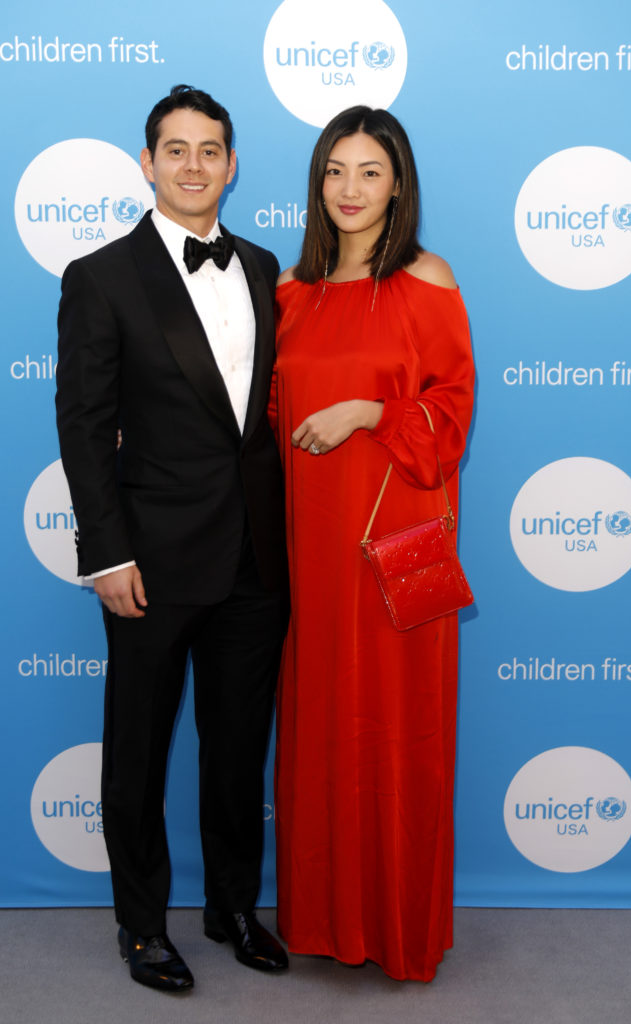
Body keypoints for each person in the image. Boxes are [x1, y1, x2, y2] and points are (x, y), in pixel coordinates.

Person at [55, 84, 289, 993]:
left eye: (211, 149)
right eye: (176, 150)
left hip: (255, 562)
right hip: (148, 562)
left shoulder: (266, 268)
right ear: (147, 163)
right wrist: (106, 554)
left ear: (233, 165)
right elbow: (83, 425)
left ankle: (232, 907)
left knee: (237, 749)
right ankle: (142, 926)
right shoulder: (101, 276)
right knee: (139, 749)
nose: (195, 165)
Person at [270, 105, 475, 981]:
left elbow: (452, 414)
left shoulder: (428, 280)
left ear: (399, 184)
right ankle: (322, 921)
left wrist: (369, 411)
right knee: (319, 725)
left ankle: (398, 928)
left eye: (370, 172)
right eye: (335, 172)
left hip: (395, 547)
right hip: (308, 550)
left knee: (399, 735)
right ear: (317, 184)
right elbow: (261, 424)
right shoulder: (288, 290)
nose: (350, 190)